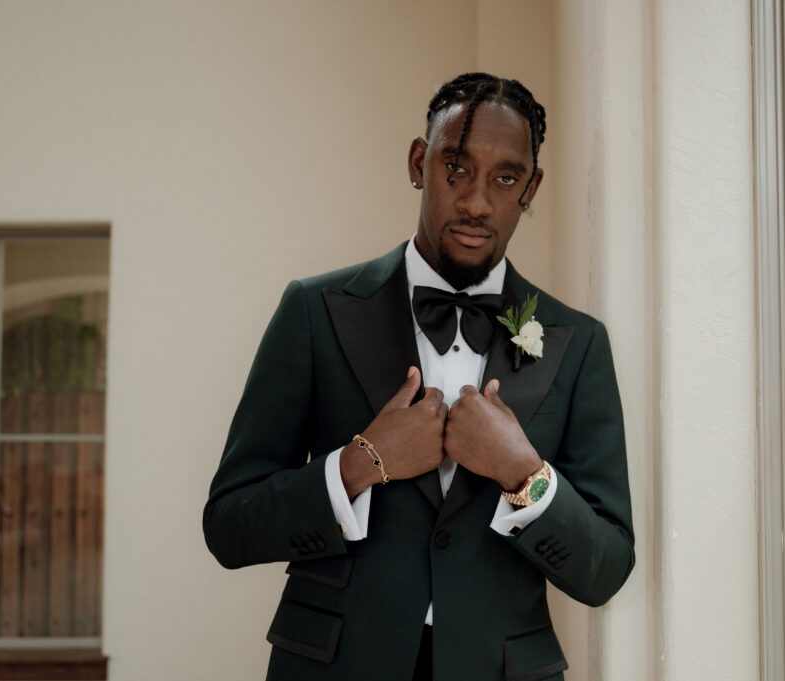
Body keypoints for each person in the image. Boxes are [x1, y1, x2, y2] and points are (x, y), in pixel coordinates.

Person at [203, 72, 634, 681]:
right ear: (417, 162)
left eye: (505, 178)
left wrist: (523, 472)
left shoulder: (579, 343)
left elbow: (606, 567)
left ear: (530, 188)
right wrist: (359, 463)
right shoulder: (314, 311)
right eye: (455, 168)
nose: (476, 201)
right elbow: (229, 525)